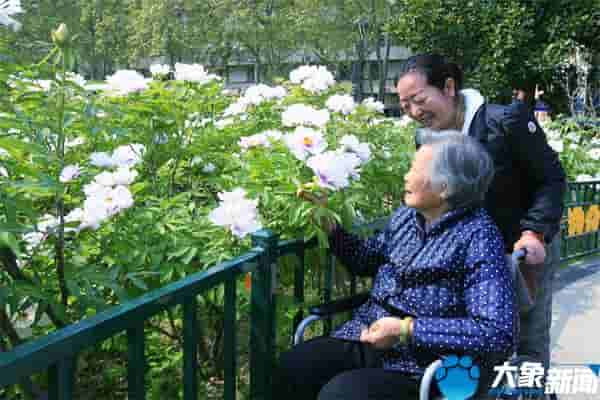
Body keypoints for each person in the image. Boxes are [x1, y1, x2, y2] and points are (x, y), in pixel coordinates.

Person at [274, 134, 517, 399]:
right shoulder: (406, 217)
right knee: (295, 365)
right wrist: (329, 226)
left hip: (427, 363)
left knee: (342, 395)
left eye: (415, 169)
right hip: (368, 335)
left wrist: (406, 329)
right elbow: (364, 259)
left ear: (444, 188)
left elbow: (496, 332)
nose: (406, 176)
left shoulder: (479, 236)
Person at [395, 54, 566, 373]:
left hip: (519, 253)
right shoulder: (425, 139)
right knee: (473, 345)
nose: (415, 113)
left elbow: (551, 179)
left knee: (526, 343)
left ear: (448, 87)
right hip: (466, 260)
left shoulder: (506, 121)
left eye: (419, 100)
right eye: (406, 107)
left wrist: (534, 232)